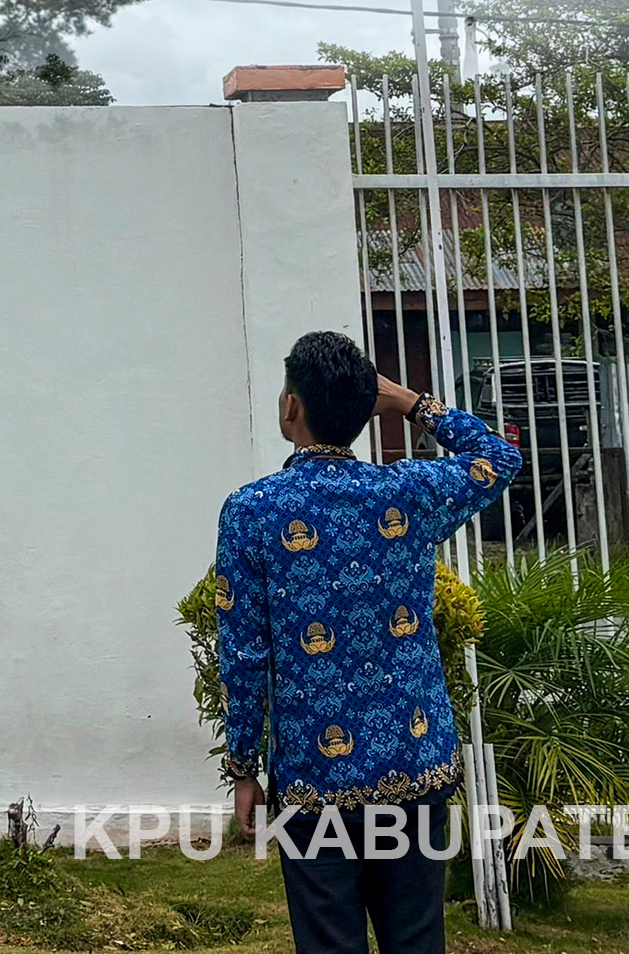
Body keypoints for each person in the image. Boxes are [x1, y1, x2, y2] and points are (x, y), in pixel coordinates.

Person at [213, 331, 520, 954]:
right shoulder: (409, 494)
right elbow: (498, 456)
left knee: (329, 943)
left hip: (314, 775)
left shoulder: (253, 511)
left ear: (292, 407)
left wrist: (243, 767)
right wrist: (409, 402)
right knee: (415, 939)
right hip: (414, 765)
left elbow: (244, 654)